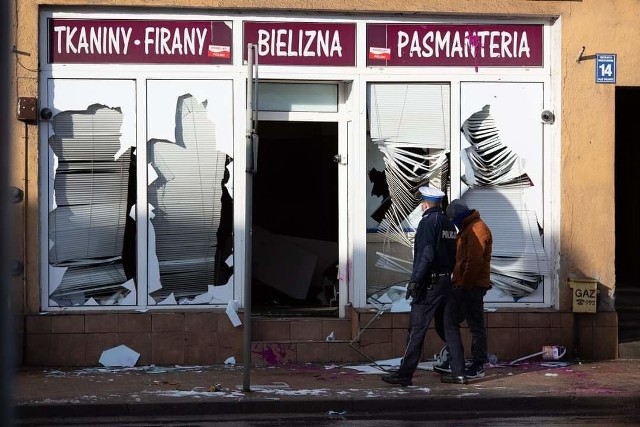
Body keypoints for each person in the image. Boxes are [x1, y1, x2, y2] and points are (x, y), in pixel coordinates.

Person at [381, 186, 457, 387]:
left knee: (416, 328)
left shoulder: (427, 223)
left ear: (424, 204)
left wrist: (415, 281)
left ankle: (404, 374)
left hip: (429, 284)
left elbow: (426, 254)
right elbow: (454, 255)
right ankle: (460, 372)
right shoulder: (449, 224)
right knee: (449, 328)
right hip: (445, 282)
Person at [440, 199, 493, 385]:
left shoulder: (476, 229)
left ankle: (477, 364)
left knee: (475, 325)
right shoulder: (468, 227)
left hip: (472, 286)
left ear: (459, 217)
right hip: (466, 285)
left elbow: (474, 262)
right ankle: (459, 363)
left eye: (454, 220)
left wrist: (464, 286)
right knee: (454, 321)